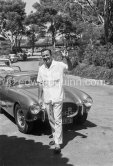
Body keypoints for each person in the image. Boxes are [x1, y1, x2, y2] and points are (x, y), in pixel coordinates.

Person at [37, 48, 75, 154]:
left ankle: (57, 143)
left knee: (57, 120)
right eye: (43, 56)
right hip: (47, 99)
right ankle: (55, 137)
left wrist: (67, 58)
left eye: (47, 55)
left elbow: (70, 68)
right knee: (51, 120)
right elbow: (40, 83)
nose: (45, 57)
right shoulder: (41, 69)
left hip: (57, 97)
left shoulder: (59, 65)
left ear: (51, 55)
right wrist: (39, 98)